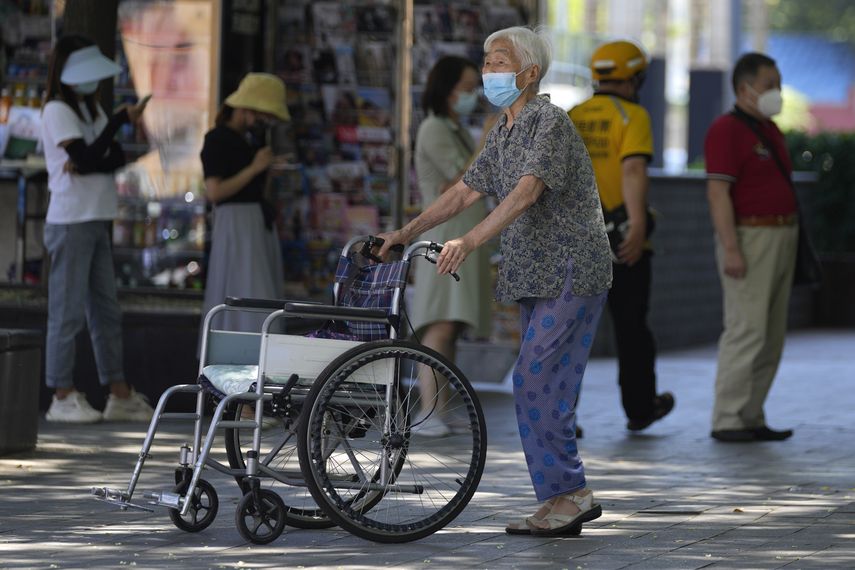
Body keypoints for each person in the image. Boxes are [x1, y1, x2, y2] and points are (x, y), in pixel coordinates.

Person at [378, 26, 612, 536]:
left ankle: (571, 491)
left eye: (499, 61)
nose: (488, 70)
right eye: (485, 61)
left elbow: (525, 193)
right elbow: (464, 191)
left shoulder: (548, 121)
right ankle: (561, 496)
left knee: (533, 378)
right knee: (540, 385)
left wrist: (469, 242)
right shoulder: (503, 129)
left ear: (529, 72)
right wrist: (405, 231)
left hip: (573, 269)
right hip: (536, 272)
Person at [41, 36, 154, 423]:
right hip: (71, 221)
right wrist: (117, 125)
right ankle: (61, 393)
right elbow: (90, 156)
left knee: (105, 310)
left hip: (95, 217)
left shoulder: (91, 110)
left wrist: (90, 159)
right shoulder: (58, 110)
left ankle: (118, 392)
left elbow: (108, 158)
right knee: (68, 312)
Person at [569, 40, 675, 433]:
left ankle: (564, 415)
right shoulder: (632, 115)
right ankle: (640, 407)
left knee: (570, 331)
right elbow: (632, 170)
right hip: (622, 241)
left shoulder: (573, 115)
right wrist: (638, 223)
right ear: (634, 78)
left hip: (577, 242)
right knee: (632, 328)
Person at [704, 53, 797, 443]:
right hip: (749, 237)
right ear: (744, 89)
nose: (776, 91)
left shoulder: (767, 128)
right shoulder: (727, 129)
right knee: (747, 329)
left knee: (771, 333)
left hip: (780, 236)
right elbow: (718, 192)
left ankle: (751, 413)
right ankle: (728, 417)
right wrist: (732, 248)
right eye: (769, 84)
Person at [408, 55, 492, 437]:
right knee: (439, 325)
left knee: (452, 325)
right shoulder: (433, 129)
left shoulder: (453, 128)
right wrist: (487, 141)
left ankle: (441, 407)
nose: (473, 94)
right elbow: (459, 183)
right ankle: (427, 410)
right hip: (444, 238)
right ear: (447, 89)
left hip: (461, 237)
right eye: (467, 87)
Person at [200, 73, 289, 336]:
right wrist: (255, 169)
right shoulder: (217, 139)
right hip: (238, 224)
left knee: (257, 289)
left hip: (253, 222)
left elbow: (252, 189)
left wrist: (265, 173)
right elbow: (215, 192)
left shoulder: (247, 140)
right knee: (248, 289)